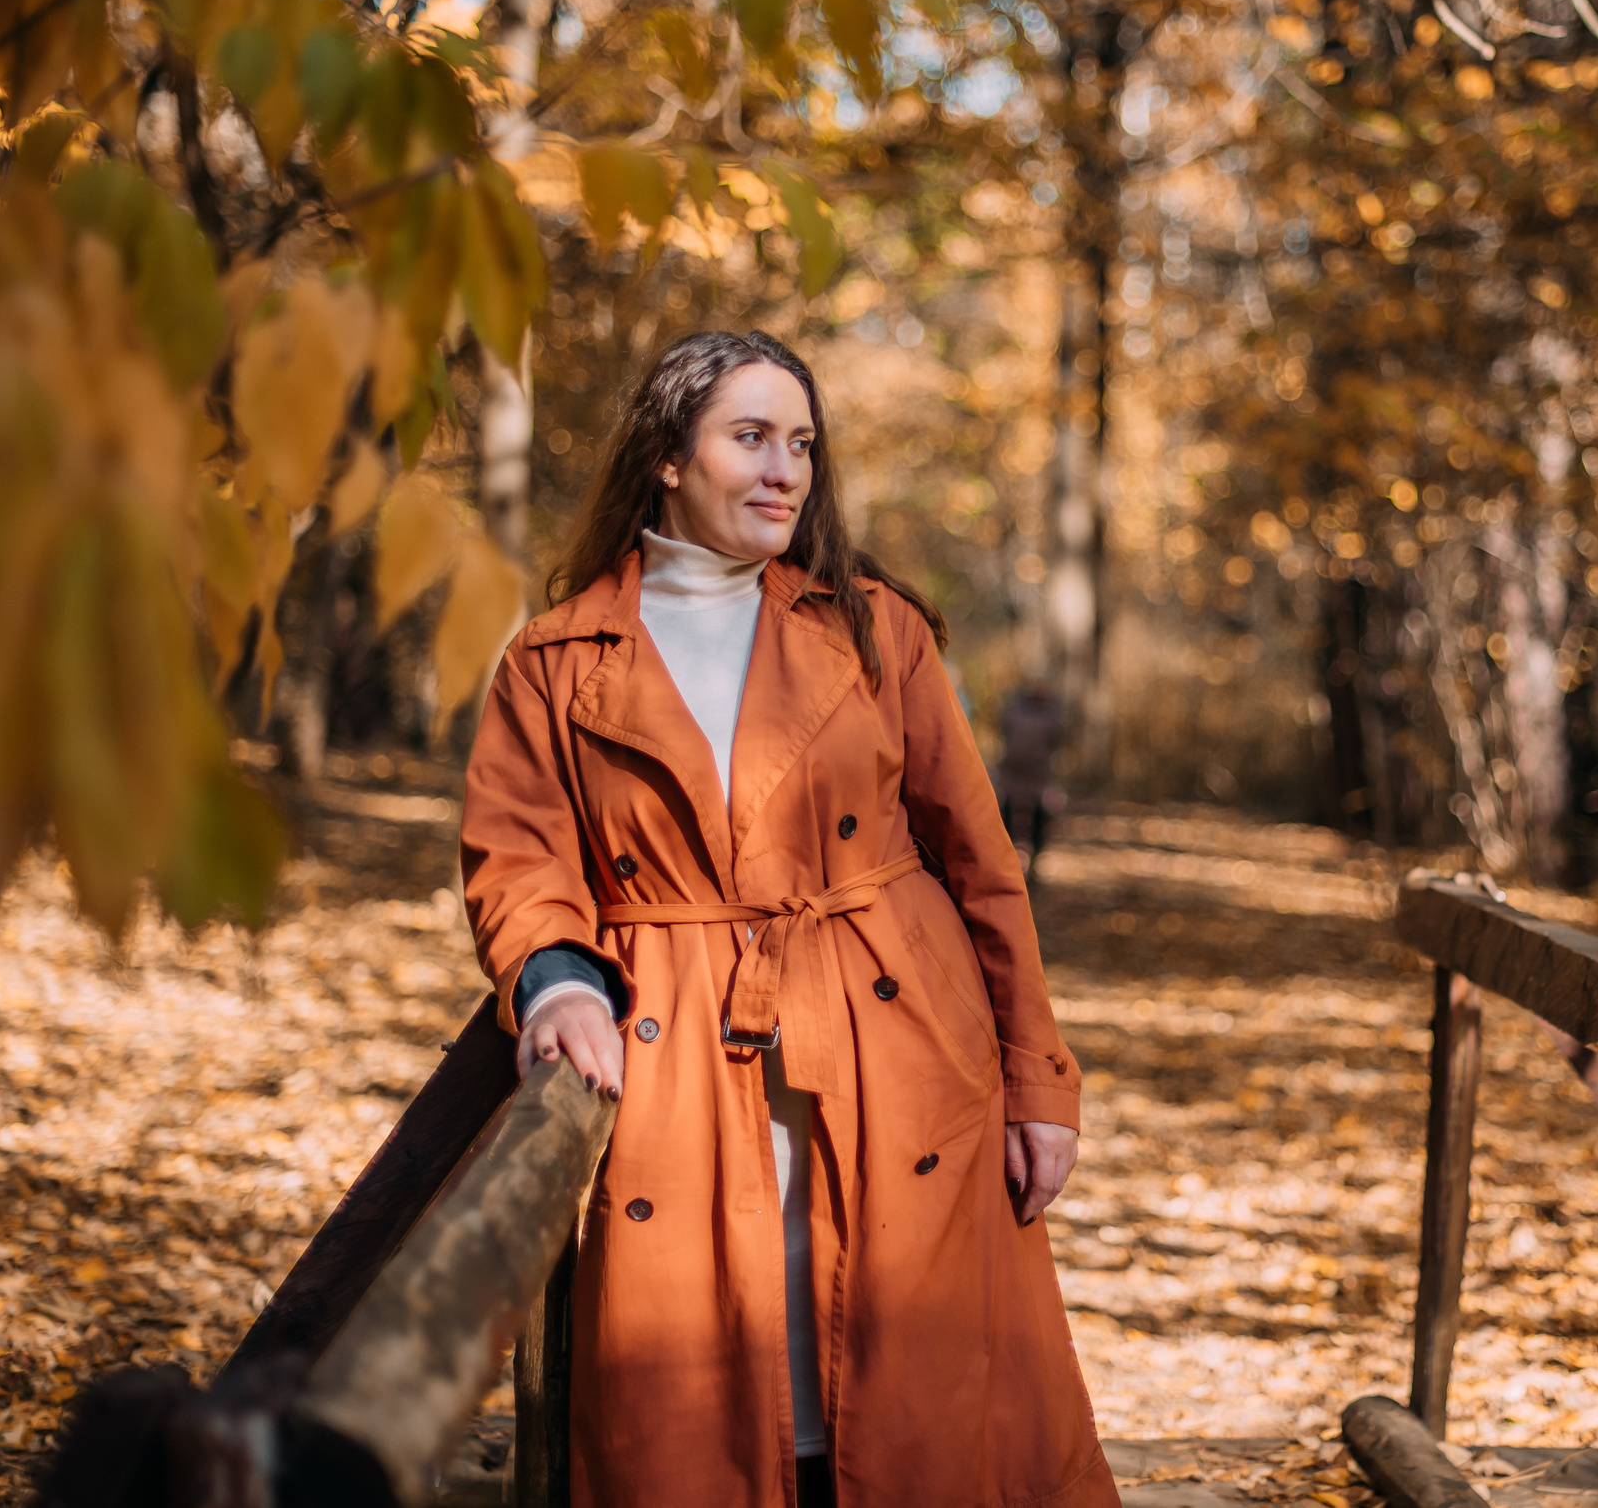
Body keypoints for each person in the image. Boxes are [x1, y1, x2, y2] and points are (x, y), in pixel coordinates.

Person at [461, 331, 1118, 1508]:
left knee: (913, 1381)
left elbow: (980, 862)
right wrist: (559, 980)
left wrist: (1037, 1078)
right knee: (712, 1370)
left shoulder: (872, 627)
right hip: (679, 1047)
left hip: (898, 1037)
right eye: (750, 436)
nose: (785, 470)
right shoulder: (555, 659)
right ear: (667, 453)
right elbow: (520, 856)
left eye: (802, 443)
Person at [995, 680, 1065, 866]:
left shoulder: (1053, 711)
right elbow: (1005, 729)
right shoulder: (1015, 706)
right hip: (1013, 771)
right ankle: (1005, 857)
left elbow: (1057, 738)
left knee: (1040, 815)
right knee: (1006, 812)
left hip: (1038, 775)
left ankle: (1034, 860)